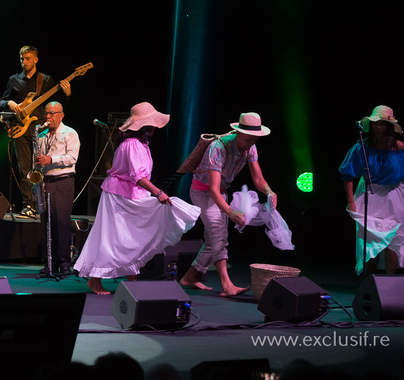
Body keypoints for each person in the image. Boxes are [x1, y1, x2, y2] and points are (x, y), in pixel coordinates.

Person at [73, 102, 200, 294]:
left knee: (132, 238)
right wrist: (158, 193)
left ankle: (132, 280)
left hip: (133, 194)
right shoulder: (131, 145)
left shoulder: (141, 144)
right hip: (119, 196)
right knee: (113, 237)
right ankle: (95, 280)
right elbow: (138, 176)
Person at [179, 112, 277, 297]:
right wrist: (231, 211)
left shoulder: (251, 147)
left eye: (254, 139)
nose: (251, 143)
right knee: (218, 235)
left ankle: (190, 277)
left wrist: (270, 191)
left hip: (220, 192)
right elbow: (213, 190)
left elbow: (258, 179)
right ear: (238, 133)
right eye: (248, 139)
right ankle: (226, 285)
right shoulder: (218, 147)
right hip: (203, 192)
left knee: (214, 240)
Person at [339, 105, 404, 274]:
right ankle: (370, 281)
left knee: (393, 238)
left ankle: (389, 281)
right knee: (372, 238)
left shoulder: (399, 148)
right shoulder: (362, 148)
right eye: (376, 123)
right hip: (370, 195)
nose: (379, 127)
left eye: (383, 124)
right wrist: (350, 201)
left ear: (389, 127)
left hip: (395, 196)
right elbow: (347, 176)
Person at [0, 45, 71, 218]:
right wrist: (10, 103)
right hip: (20, 130)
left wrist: (66, 94)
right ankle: (28, 205)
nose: (25, 62)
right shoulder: (14, 80)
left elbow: (56, 104)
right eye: (22, 59)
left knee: (41, 168)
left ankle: (43, 205)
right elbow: (2, 101)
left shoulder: (46, 80)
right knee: (24, 169)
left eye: (28, 58)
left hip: (41, 130)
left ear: (36, 59)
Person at [36, 101, 79, 274]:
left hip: (63, 181)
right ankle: (50, 262)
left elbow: (72, 157)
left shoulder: (70, 133)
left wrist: (51, 160)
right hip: (46, 181)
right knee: (47, 223)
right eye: (46, 113)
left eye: (52, 113)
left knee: (61, 222)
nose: (48, 117)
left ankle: (64, 262)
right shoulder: (41, 136)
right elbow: (38, 160)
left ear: (61, 115)